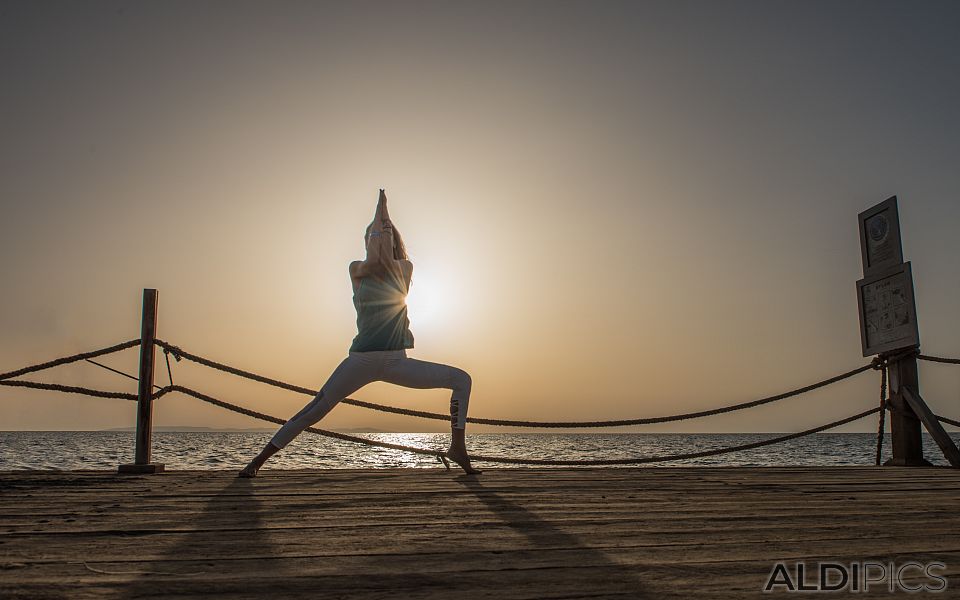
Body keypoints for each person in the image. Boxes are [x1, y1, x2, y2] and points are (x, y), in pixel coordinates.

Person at [239, 189, 481, 477]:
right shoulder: (357, 269)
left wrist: (384, 217)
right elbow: (376, 261)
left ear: (390, 240)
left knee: (461, 380)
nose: (374, 240)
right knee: (315, 410)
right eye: (370, 236)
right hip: (360, 361)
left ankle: (458, 448)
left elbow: (385, 260)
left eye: (379, 235)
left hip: (396, 361)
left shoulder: (404, 268)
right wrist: (381, 216)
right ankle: (258, 461)